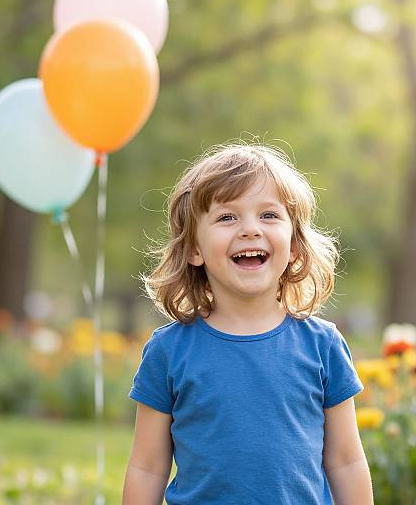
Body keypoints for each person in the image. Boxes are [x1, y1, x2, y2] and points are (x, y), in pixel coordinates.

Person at [122, 142, 373, 505]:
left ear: (295, 245)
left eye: (269, 215)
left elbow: (346, 462)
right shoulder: (169, 350)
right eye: (227, 217)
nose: (250, 230)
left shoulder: (323, 345)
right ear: (194, 249)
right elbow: (148, 467)